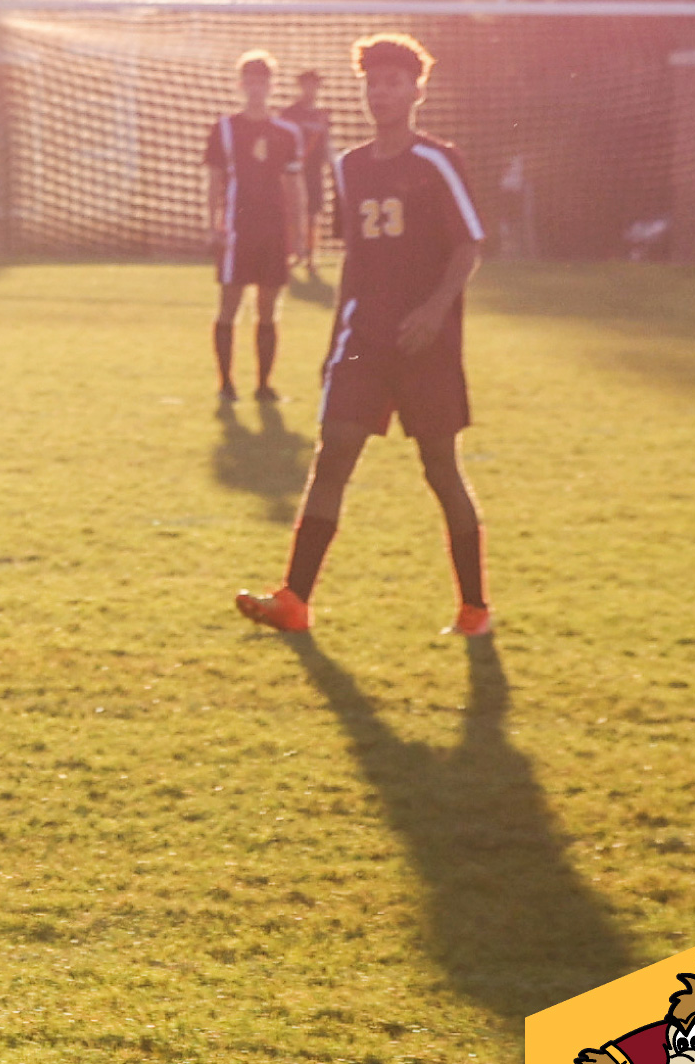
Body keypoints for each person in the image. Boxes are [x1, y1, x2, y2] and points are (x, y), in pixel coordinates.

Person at [236, 32, 490, 637]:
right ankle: (294, 600)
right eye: (372, 82)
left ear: (416, 89)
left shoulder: (436, 160)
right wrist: (336, 342)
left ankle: (474, 610)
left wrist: (432, 313)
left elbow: (468, 246)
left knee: (440, 469)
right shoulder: (349, 167)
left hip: (425, 344)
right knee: (333, 458)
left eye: (393, 82)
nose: (381, 93)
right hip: (364, 341)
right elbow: (355, 261)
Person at [201, 51, 304, 402]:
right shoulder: (225, 128)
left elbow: (294, 186)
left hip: (273, 231)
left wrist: (300, 235)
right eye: (250, 81)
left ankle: (263, 385)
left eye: (263, 81)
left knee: (268, 308)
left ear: (271, 86)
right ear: (241, 84)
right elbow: (215, 180)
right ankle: (226, 383)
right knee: (229, 304)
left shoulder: (287, 132)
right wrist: (213, 222)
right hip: (237, 230)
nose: (256, 87)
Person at [278, 65, 337, 284]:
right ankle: (291, 252)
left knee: (313, 215)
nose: (310, 88)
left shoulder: (323, 115)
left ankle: (312, 257)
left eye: (314, 84)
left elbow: (328, 142)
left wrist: (333, 165)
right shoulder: (290, 112)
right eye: (306, 84)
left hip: (314, 172)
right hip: (292, 171)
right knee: (291, 212)